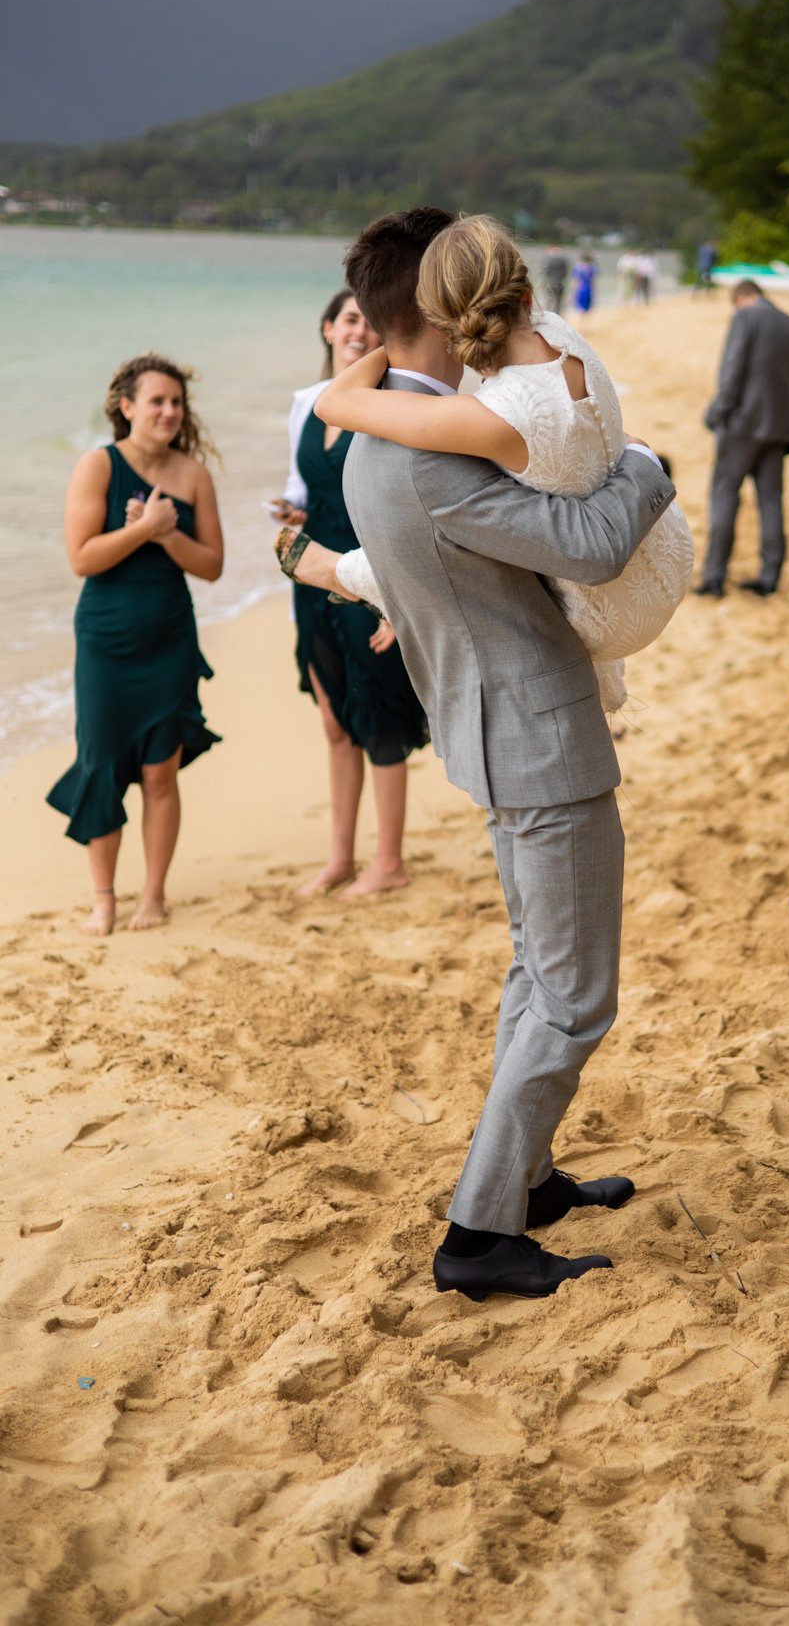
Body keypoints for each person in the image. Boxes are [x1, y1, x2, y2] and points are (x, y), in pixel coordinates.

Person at [288, 207, 677, 1301]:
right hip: (537, 737)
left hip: (494, 730)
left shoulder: (378, 445)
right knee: (574, 1000)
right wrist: (647, 466)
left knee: (536, 969)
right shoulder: (426, 459)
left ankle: (529, 1179)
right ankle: (477, 1234)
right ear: (433, 310)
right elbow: (597, 546)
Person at [281, 219, 693, 716]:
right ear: (525, 291)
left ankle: (342, 571)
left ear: (440, 321)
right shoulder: (561, 334)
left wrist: (391, 336)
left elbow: (334, 401)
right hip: (665, 548)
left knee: (454, 557)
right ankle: (346, 572)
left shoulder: (495, 416)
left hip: (610, 612)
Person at [47, 354, 223, 933]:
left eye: (176, 402)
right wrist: (140, 530)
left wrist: (165, 535)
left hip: (169, 638)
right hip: (106, 642)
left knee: (159, 774)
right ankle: (104, 898)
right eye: (157, 401)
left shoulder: (193, 475)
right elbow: (81, 558)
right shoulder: (98, 466)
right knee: (101, 764)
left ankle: (153, 895)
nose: (170, 412)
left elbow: (213, 567)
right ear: (128, 408)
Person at [271, 289, 428, 899]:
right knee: (335, 722)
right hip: (311, 581)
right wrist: (290, 510)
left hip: (369, 581)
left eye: (371, 323)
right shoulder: (307, 405)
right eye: (350, 320)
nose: (360, 333)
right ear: (328, 329)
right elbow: (301, 484)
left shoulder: (392, 406)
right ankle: (339, 858)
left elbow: (404, 510)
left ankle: (388, 861)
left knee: (380, 716)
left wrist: (395, 597)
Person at [695, 279, 789, 598]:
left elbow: (731, 372)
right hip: (779, 426)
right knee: (771, 500)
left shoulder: (745, 316)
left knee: (724, 494)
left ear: (740, 298)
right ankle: (769, 576)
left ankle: (715, 577)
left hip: (743, 424)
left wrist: (718, 412)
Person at [542, 246, 567, 314]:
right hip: (559, 283)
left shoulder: (549, 260)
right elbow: (565, 273)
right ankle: (558, 314)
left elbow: (546, 272)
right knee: (558, 301)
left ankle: (548, 313)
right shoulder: (563, 261)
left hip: (550, 283)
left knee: (549, 300)